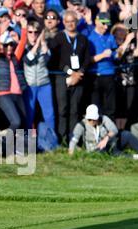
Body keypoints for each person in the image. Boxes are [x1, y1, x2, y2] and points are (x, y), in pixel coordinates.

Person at [49, 10, 90, 145]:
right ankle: (62, 139)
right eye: (67, 21)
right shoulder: (59, 38)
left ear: (76, 22)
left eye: (72, 21)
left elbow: (87, 59)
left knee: (75, 110)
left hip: (80, 78)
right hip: (62, 77)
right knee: (63, 109)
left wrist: (79, 73)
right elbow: (55, 59)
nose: (70, 24)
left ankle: (74, 139)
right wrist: (70, 72)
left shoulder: (83, 39)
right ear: (63, 23)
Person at [68, 104, 138, 160]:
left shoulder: (104, 119)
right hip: (96, 150)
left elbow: (114, 130)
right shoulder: (81, 125)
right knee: (111, 152)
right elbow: (74, 139)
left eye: (94, 119)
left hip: (110, 143)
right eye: (89, 119)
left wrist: (106, 138)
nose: (91, 121)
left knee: (126, 134)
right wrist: (70, 154)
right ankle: (133, 157)